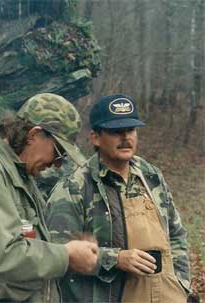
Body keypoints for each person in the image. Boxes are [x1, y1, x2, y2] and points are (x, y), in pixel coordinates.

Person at [0, 93, 99, 303]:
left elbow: (27, 241)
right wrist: (66, 255)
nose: (58, 164)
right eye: (58, 151)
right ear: (34, 135)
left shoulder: (20, 177)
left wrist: (67, 249)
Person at [46, 94, 191, 303]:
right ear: (95, 137)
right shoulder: (74, 187)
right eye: (116, 131)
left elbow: (176, 235)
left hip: (168, 296)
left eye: (131, 130)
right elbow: (58, 253)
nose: (126, 138)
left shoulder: (151, 175)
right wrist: (116, 259)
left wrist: (182, 284)